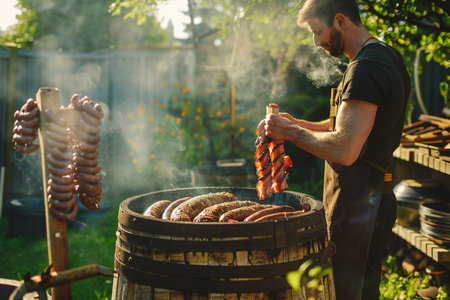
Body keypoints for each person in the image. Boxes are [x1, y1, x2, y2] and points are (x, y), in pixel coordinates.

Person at [261, 0, 411, 299]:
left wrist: (290, 132)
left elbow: (345, 148)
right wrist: (300, 124)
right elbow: (350, 128)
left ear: (340, 21)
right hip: (368, 203)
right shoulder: (385, 56)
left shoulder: (366, 68)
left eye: (318, 31)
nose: (316, 42)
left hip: (359, 210)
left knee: (343, 294)